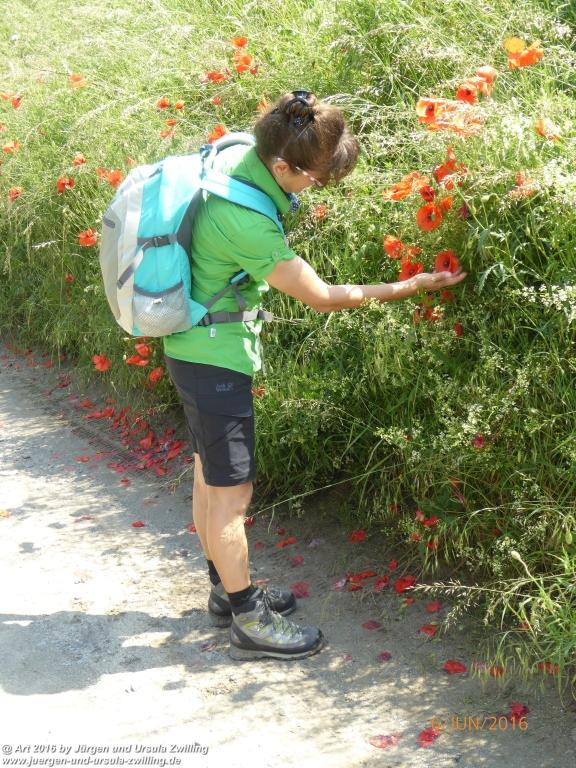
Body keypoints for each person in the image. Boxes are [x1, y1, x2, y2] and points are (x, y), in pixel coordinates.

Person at [163, 90, 466, 661]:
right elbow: (322, 297)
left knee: (209, 473)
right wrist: (410, 286)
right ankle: (248, 619)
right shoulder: (245, 219)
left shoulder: (238, 157)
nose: (315, 188)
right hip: (212, 357)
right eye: (316, 179)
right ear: (283, 166)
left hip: (192, 344)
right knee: (232, 495)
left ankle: (226, 594)